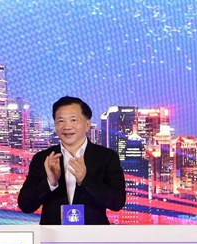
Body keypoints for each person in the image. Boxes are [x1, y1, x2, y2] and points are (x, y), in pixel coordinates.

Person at [18, 96, 126, 225]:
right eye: (61, 121)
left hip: (93, 234)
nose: (67, 127)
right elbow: (25, 205)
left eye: (73, 120)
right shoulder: (44, 158)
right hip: (53, 234)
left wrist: (85, 180)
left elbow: (117, 202)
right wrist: (50, 182)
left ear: (87, 125)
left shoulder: (106, 157)